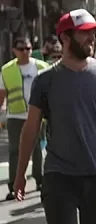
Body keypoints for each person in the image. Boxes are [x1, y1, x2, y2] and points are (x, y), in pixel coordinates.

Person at [13, 9, 96, 223]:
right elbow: (31, 127)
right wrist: (20, 175)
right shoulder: (45, 80)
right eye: (84, 32)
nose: (92, 38)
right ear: (65, 37)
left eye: (93, 32)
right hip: (59, 175)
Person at [1, 37, 48, 200]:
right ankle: (14, 185)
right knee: (15, 151)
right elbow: (2, 94)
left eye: (28, 48)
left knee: (37, 150)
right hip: (16, 116)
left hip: (38, 115)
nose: (25, 52)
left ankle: (40, 181)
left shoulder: (42, 67)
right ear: (14, 51)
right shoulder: (7, 70)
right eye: (21, 49)